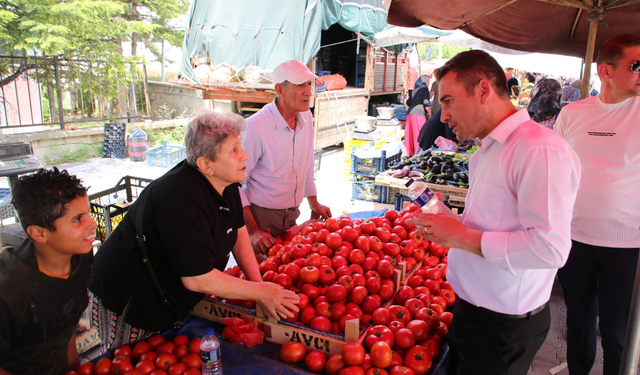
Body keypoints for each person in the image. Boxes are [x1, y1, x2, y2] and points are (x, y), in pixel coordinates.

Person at [407, 50, 581, 375]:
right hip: (474, 316)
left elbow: (549, 247)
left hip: (501, 329)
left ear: (484, 91)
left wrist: (461, 236)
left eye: (449, 101)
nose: (442, 115)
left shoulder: (538, 150)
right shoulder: (488, 148)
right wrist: (449, 219)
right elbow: (491, 224)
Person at [89, 110, 300, 351]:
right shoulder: (181, 199)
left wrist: (258, 285)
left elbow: (239, 233)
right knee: (131, 359)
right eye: (234, 150)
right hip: (130, 291)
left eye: (240, 146)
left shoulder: (226, 182)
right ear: (205, 164)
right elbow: (196, 278)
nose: (245, 155)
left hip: (168, 290)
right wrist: (260, 292)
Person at [554, 34, 640, 375]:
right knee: (577, 323)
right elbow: (556, 171)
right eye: (636, 65)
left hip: (627, 244)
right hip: (575, 237)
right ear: (606, 70)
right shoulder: (572, 114)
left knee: (618, 333)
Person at [0, 168, 96, 374]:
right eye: (78, 219)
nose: (92, 223)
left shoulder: (81, 257)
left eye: (88, 212)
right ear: (39, 233)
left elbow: (65, 321)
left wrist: (72, 364)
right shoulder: (9, 292)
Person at [241, 59, 332, 255]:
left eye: (309, 83)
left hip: (292, 215)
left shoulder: (306, 117)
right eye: (300, 85)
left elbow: (306, 163)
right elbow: (233, 185)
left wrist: (313, 202)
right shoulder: (255, 128)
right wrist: (252, 230)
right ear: (279, 90)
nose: (308, 91)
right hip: (260, 218)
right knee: (262, 277)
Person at [404, 76, 431, 156]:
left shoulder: (414, 90)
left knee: (409, 135)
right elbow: (426, 102)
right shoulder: (425, 90)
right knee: (418, 134)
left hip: (410, 114)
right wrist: (429, 113)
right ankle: (418, 154)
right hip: (419, 115)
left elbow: (408, 102)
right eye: (428, 81)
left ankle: (408, 154)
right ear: (425, 82)